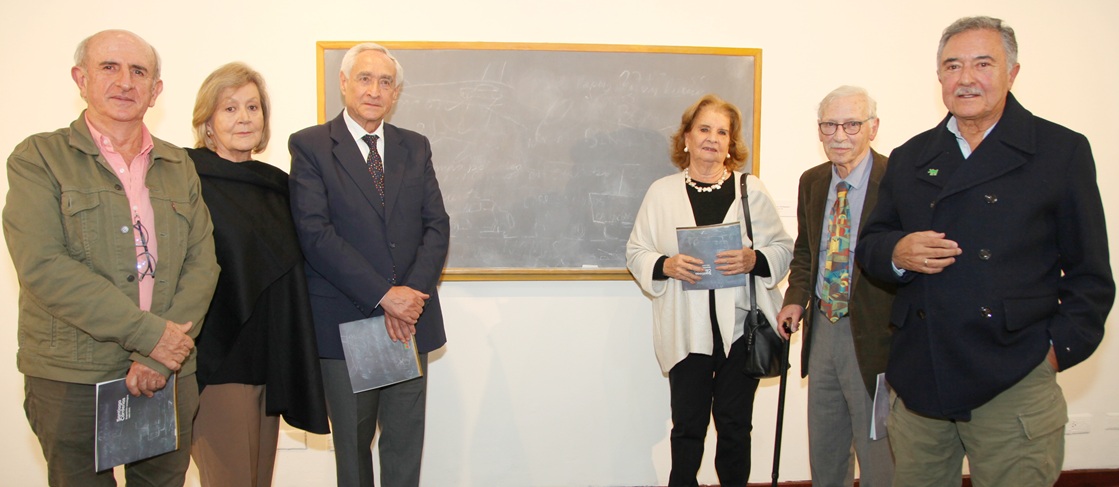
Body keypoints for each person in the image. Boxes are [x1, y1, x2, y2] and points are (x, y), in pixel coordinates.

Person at [856, 16, 1115, 486]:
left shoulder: (1060, 151)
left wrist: (1051, 354)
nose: (966, 78)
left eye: (983, 63)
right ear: (938, 77)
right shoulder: (913, 156)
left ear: (1012, 73)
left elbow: (1091, 276)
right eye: (952, 66)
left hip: (1014, 376)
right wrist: (898, 250)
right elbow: (870, 247)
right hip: (921, 380)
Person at [2, 30, 219, 485]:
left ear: (156, 90)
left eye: (139, 71)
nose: (125, 81)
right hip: (73, 376)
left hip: (169, 374)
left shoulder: (180, 166)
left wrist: (161, 355)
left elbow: (202, 266)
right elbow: (43, 265)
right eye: (109, 67)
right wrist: (149, 335)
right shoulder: (38, 158)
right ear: (81, 79)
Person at [288, 42, 450, 487]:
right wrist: (385, 295)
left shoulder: (414, 147)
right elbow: (316, 235)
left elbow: (437, 226)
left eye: (385, 82)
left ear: (395, 93)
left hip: (408, 325)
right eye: (364, 78)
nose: (375, 90)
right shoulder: (312, 146)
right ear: (343, 83)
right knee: (353, 455)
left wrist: (409, 297)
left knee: (404, 450)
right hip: (349, 323)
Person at [626, 94, 793, 487]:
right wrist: (665, 265)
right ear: (686, 137)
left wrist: (755, 259)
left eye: (722, 131)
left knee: (736, 429)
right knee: (688, 428)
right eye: (704, 129)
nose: (712, 139)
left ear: (730, 143)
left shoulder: (751, 189)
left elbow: (784, 248)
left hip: (741, 333)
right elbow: (636, 251)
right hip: (687, 334)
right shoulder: (661, 193)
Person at [187, 62, 330, 487]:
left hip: (270, 359)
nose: (244, 117)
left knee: (257, 481)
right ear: (207, 122)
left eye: (252, 107)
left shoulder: (278, 186)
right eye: (229, 109)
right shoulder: (186, 180)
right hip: (218, 361)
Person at [776, 86, 895, 487]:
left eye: (851, 124)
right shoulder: (812, 182)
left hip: (875, 335)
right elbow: (806, 253)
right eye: (829, 124)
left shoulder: (895, 180)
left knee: (878, 450)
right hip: (822, 328)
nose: (839, 135)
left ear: (873, 128)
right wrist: (795, 300)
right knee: (825, 448)